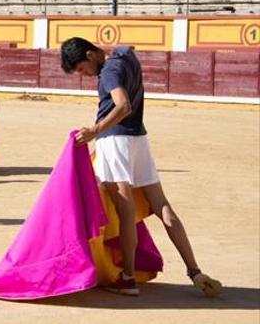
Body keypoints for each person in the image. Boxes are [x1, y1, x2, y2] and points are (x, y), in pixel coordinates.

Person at [60, 37, 222, 297]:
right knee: (163, 206)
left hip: (115, 140)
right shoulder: (124, 56)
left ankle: (128, 279)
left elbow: (123, 106)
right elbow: (127, 48)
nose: (84, 75)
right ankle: (194, 270)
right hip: (139, 140)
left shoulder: (109, 72)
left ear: (90, 55)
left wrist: (95, 131)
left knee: (126, 211)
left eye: (81, 68)